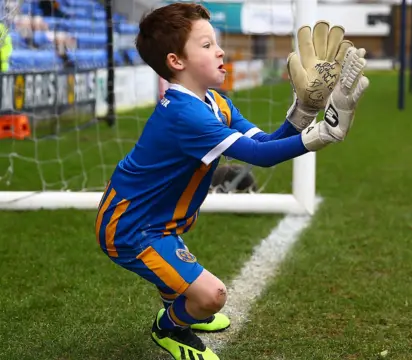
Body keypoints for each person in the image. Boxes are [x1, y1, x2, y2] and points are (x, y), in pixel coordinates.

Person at [94, 3, 369, 360]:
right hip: (131, 227)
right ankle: (169, 328)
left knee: (190, 289)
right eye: (207, 45)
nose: (220, 49)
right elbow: (261, 158)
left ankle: (179, 307)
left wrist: (304, 111)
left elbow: (262, 144)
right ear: (177, 61)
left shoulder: (214, 103)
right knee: (212, 297)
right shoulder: (185, 115)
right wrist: (325, 133)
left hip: (156, 222)